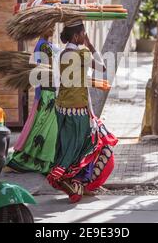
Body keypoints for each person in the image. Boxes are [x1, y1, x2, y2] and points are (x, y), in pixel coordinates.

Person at [46, 20, 118, 203]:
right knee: (94, 146)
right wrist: (91, 45)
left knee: (70, 148)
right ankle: (76, 183)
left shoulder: (62, 54)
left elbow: (73, 80)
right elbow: (102, 67)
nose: (84, 37)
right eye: (83, 34)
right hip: (78, 113)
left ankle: (77, 183)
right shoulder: (83, 54)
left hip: (62, 110)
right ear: (78, 36)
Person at [6, 27, 60, 174]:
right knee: (45, 127)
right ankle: (36, 159)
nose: (53, 29)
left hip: (46, 91)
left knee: (41, 126)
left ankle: (38, 157)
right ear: (42, 27)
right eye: (49, 26)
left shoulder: (44, 44)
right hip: (48, 93)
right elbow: (49, 69)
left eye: (54, 25)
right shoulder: (43, 45)